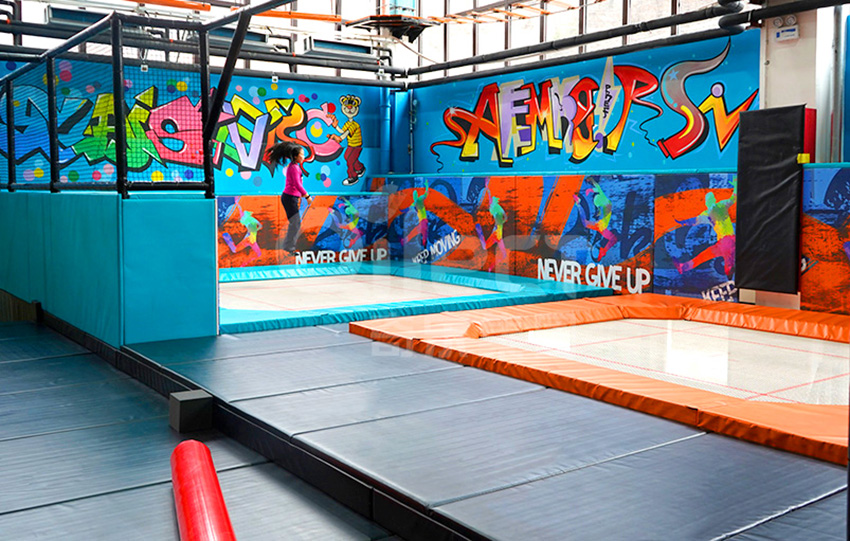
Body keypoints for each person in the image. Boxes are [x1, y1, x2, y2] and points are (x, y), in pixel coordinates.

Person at [673, 179, 736, 277]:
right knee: (706, 256)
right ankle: (683, 267)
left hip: (726, 240)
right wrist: (735, 185)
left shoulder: (708, 213)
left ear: (707, 203)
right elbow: (733, 198)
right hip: (723, 242)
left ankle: (730, 272)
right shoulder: (720, 205)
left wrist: (681, 222)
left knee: (725, 258)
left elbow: (693, 221)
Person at [266, 141, 313, 253]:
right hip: (289, 198)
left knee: (295, 223)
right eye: (302, 154)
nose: (304, 157)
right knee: (295, 223)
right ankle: (289, 246)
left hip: (291, 198)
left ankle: (289, 246)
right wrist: (307, 196)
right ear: (295, 156)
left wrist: (300, 195)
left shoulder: (294, 166)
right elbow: (297, 184)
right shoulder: (294, 167)